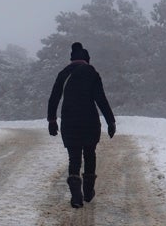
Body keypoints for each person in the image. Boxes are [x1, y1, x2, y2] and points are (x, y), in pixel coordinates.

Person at [47, 42, 116, 208]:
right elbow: (101, 99)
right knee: (90, 153)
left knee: (74, 157)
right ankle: (88, 191)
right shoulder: (92, 73)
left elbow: (54, 98)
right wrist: (110, 121)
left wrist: (52, 120)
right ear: (86, 59)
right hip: (90, 121)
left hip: (69, 121)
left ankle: (76, 195)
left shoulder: (63, 74)